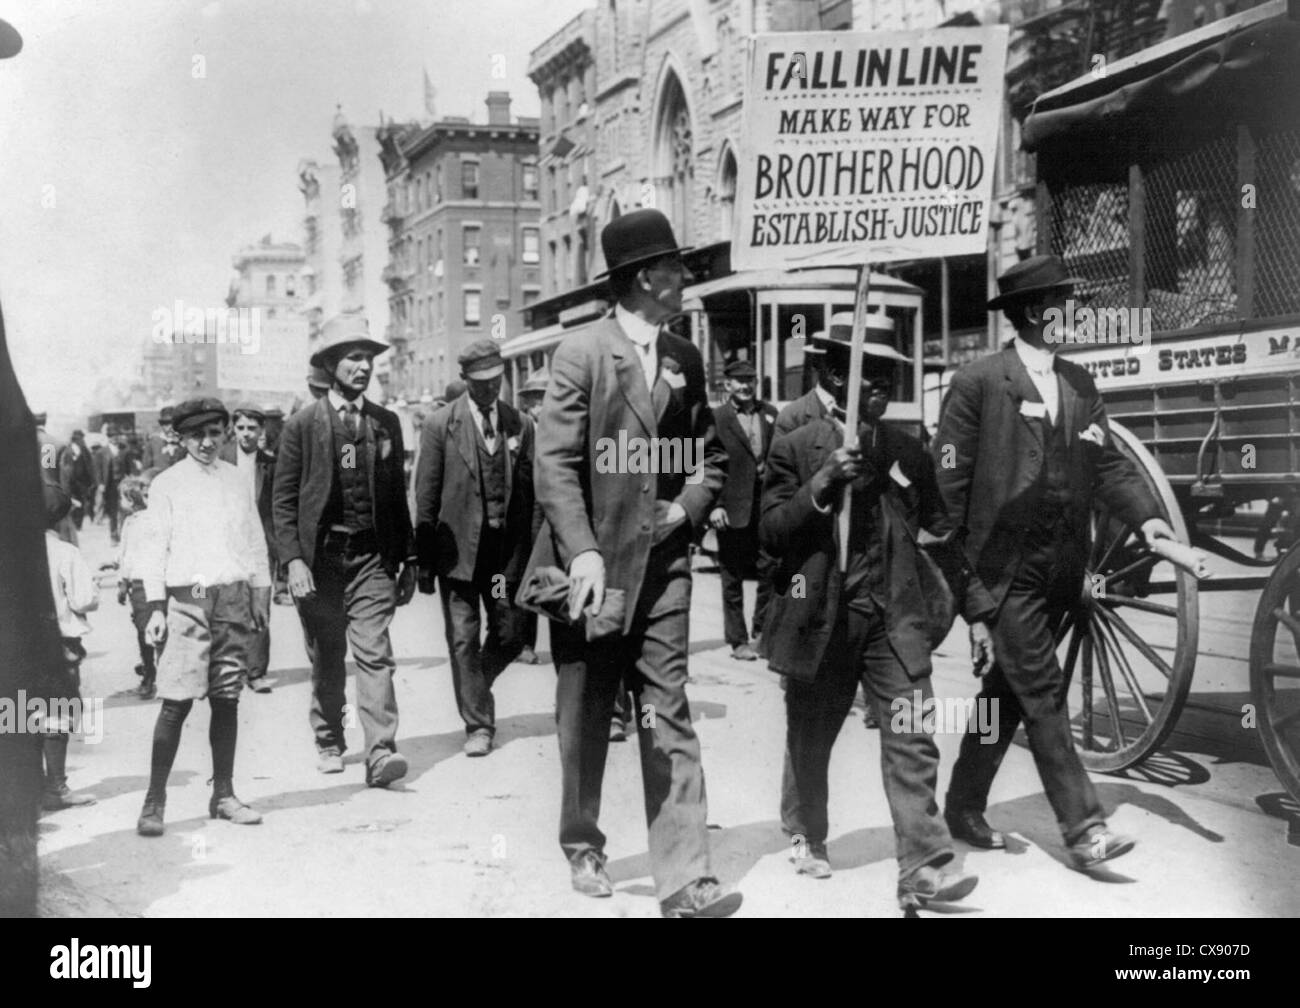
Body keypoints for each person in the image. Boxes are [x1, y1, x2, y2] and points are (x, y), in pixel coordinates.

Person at [933, 254, 1178, 871]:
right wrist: (969, 597)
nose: (1079, 312)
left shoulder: (1081, 384)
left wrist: (1149, 519)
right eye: (1068, 303)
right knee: (1042, 692)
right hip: (1004, 571)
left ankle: (963, 803)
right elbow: (947, 497)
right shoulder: (979, 383)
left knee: (1008, 695)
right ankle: (1084, 829)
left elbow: (1111, 467)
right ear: (1034, 313)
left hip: (1062, 569)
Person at [527, 208, 740, 917]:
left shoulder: (685, 357)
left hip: (667, 564)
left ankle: (684, 878)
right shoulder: (582, 352)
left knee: (666, 709)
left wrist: (686, 508)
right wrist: (582, 549)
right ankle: (583, 841)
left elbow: (708, 456)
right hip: (594, 571)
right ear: (646, 276)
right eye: (677, 266)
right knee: (587, 712)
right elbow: (553, 463)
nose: (686, 276)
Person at [761, 319, 978, 910]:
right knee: (812, 734)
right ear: (836, 375)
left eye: (889, 378)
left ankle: (924, 866)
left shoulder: (906, 449)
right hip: (822, 617)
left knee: (912, 734)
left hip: (892, 619)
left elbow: (940, 530)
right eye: (870, 377)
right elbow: (772, 533)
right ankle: (807, 834)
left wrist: (975, 611)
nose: (882, 388)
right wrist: (825, 481)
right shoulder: (795, 445)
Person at [273, 315, 416, 785]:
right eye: (353, 357)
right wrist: (293, 560)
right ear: (331, 364)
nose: (363, 367)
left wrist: (408, 558)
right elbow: (284, 500)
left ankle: (380, 751)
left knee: (375, 653)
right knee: (328, 654)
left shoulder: (385, 423)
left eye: (369, 358)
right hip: (321, 562)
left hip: (372, 558)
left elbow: (396, 497)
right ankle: (330, 738)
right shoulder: (301, 426)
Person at [135, 398, 271, 836]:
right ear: (180, 438)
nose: (207, 442)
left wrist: (260, 596)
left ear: (226, 432)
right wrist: (155, 607)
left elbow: (253, 541)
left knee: (227, 699)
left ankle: (224, 794)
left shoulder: (236, 481)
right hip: (187, 601)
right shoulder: (167, 485)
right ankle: (154, 802)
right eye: (197, 435)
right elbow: (153, 549)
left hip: (231, 599)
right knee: (175, 701)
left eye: (215, 432)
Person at [415, 341, 534, 756]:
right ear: (465, 381)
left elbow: (532, 495)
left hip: (502, 561)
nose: (490, 390)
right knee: (463, 639)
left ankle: (475, 686)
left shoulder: (520, 424)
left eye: (496, 381)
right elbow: (426, 495)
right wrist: (424, 562)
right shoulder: (439, 425)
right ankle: (478, 726)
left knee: (510, 632)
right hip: (459, 558)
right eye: (481, 383)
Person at [709, 359, 777, 661]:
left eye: (750, 380)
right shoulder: (716, 419)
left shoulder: (771, 414)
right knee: (732, 576)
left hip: (767, 507)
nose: (746, 386)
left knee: (770, 569)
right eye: (739, 381)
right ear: (728, 385)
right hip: (731, 508)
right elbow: (702, 463)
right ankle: (737, 641)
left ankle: (762, 631)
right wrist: (713, 505)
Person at [40, 484, 99, 811]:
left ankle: (29, 786)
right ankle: (57, 787)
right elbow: (83, 599)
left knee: (20, 712)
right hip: (59, 644)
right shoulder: (65, 552)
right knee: (57, 713)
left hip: (19, 645)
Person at [220, 404, 277, 693]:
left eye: (252, 428)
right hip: (227, 540)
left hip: (260, 543)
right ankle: (228, 668)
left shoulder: (271, 462)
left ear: (261, 431)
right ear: (233, 429)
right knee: (227, 605)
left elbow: (277, 506)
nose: (246, 434)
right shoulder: (221, 459)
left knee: (260, 604)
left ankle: (255, 671)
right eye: (241, 428)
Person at [514, 368, 548, 666]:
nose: (541, 407)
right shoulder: (521, 431)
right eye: (536, 401)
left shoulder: (564, 428)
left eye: (546, 399)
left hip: (555, 510)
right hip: (527, 514)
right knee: (527, 576)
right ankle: (524, 642)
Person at [116, 472, 158, 699]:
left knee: (145, 630)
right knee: (145, 627)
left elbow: (128, 557)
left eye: (122, 498)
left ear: (130, 500)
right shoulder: (133, 522)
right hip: (142, 582)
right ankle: (149, 667)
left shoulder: (139, 523)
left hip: (142, 582)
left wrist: (123, 583)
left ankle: (149, 674)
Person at [59, 430, 97, 531]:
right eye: (80, 439)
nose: (82, 441)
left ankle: (78, 525)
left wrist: (91, 480)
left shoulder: (85, 451)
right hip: (70, 482)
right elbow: (63, 467)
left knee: (81, 503)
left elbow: (90, 466)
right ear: (75, 440)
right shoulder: (66, 451)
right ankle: (72, 524)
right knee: (71, 503)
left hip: (82, 483)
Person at [141, 406, 184, 470]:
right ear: (162, 425)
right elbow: (146, 467)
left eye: (173, 424)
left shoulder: (184, 442)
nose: (170, 428)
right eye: (166, 424)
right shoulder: (154, 442)